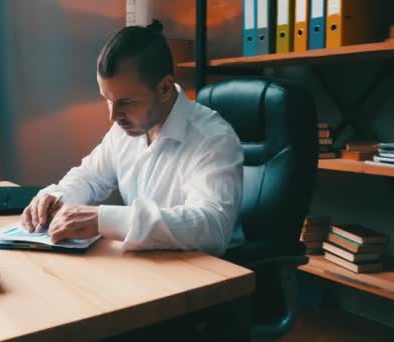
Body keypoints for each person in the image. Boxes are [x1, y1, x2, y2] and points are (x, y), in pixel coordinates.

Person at [21, 23, 243, 256]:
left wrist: (103, 219)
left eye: (126, 102)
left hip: (209, 275)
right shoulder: (125, 130)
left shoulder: (214, 139)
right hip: (147, 263)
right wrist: (57, 199)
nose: (113, 116)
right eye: (108, 99)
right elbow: (88, 177)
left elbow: (212, 226)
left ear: (165, 88)